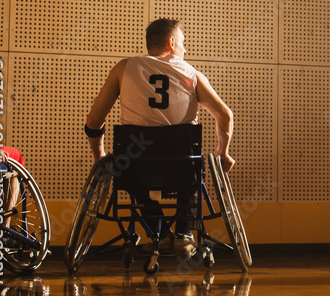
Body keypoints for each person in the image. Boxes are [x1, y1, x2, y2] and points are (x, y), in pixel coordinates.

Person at [85, 18, 236, 255]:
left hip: (134, 166)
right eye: (183, 43)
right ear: (171, 42)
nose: (185, 49)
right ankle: (185, 234)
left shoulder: (124, 68)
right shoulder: (193, 75)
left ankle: (159, 233)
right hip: (182, 169)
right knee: (194, 168)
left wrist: (99, 157)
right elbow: (225, 115)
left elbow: (93, 121)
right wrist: (222, 153)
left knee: (133, 178)